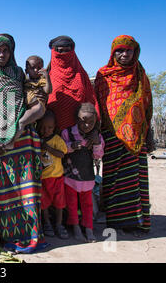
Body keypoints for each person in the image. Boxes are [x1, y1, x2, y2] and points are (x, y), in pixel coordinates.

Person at [0, 34, 48, 253]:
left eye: (5, 50)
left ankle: (33, 236)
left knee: (28, 189)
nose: (1, 55)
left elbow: (31, 97)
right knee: (6, 192)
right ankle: (12, 237)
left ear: (12, 51)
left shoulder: (18, 73)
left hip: (23, 137)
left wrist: (22, 122)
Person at [94, 35, 153, 237]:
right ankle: (116, 221)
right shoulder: (103, 75)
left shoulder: (140, 74)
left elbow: (146, 105)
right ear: (112, 52)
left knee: (134, 180)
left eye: (128, 50)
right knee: (113, 179)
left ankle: (136, 221)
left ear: (135, 52)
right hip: (111, 136)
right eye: (119, 50)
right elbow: (99, 106)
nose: (124, 54)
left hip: (136, 138)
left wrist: (148, 134)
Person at [61, 103, 104, 242]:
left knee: (87, 205)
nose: (87, 125)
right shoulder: (67, 133)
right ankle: (76, 228)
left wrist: (96, 143)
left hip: (87, 177)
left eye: (91, 122)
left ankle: (89, 228)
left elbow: (98, 156)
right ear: (77, 119)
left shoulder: (96, 136)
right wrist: (71, 147)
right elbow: (61, 150)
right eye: (83, 121)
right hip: (70, 177)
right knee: (72, 204)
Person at [46, 36, 100, 132]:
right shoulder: (47, 76)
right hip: (52, 132)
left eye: (67, 51)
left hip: (79, 133)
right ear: (54, 52)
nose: (64, 54)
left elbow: (91, 100)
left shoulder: (81, 75)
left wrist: (94, 129)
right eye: (60, 51)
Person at [5, 55, 52, 149]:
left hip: (38, 107)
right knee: (18, 120)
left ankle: (9, 143)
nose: (36, 70)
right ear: (26, 70)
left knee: (21, 122)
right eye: (32, 68)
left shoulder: (41, 81)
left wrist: (47, 77)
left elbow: (48, 90)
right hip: (30, 107)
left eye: (39, 68)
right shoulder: (25, 81)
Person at [37, 110, 69, 239]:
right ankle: (47, 224)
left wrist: (48, 148)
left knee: (59, 203)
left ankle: (59, 224)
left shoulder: (57, 140)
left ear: (54, 127)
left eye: (50, 127)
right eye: (43, 127)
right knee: (44, 203)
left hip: (57, 177)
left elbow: (62, 154)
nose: (46, 130)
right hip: (43, 178)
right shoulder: (37, 140)